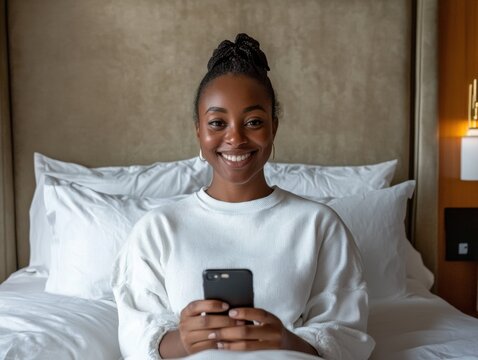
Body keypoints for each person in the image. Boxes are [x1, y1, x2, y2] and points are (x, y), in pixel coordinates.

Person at [111, 33, 375, 359]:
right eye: (218, 122)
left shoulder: (318, 225)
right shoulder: (158, 229)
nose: (235, 138)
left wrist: (283, 340)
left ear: (273, 128)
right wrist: (184, 341)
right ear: (199, 131)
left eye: (253, 121)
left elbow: (346, 337)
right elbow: (136, 338)